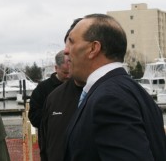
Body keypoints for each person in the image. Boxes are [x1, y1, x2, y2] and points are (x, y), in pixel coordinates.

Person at [64, 13, 166, 161]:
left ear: (93, 48)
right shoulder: (132, 91)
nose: (66, 50)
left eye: (71, 42)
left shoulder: (109, 99)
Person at [40, 18, 84, 161]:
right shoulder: (54, 97)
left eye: (72, 44)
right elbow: (45, 139)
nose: (66, 52)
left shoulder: (118, 97)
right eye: (67, 46)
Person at [28, 49, 70, 147]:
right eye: (65, 72)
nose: (69, 76)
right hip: (51, 144)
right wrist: (56, 116)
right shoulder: (42, 89)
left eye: (71, 72)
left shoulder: (79, 85)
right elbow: (34, 117)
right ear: (56, 68)